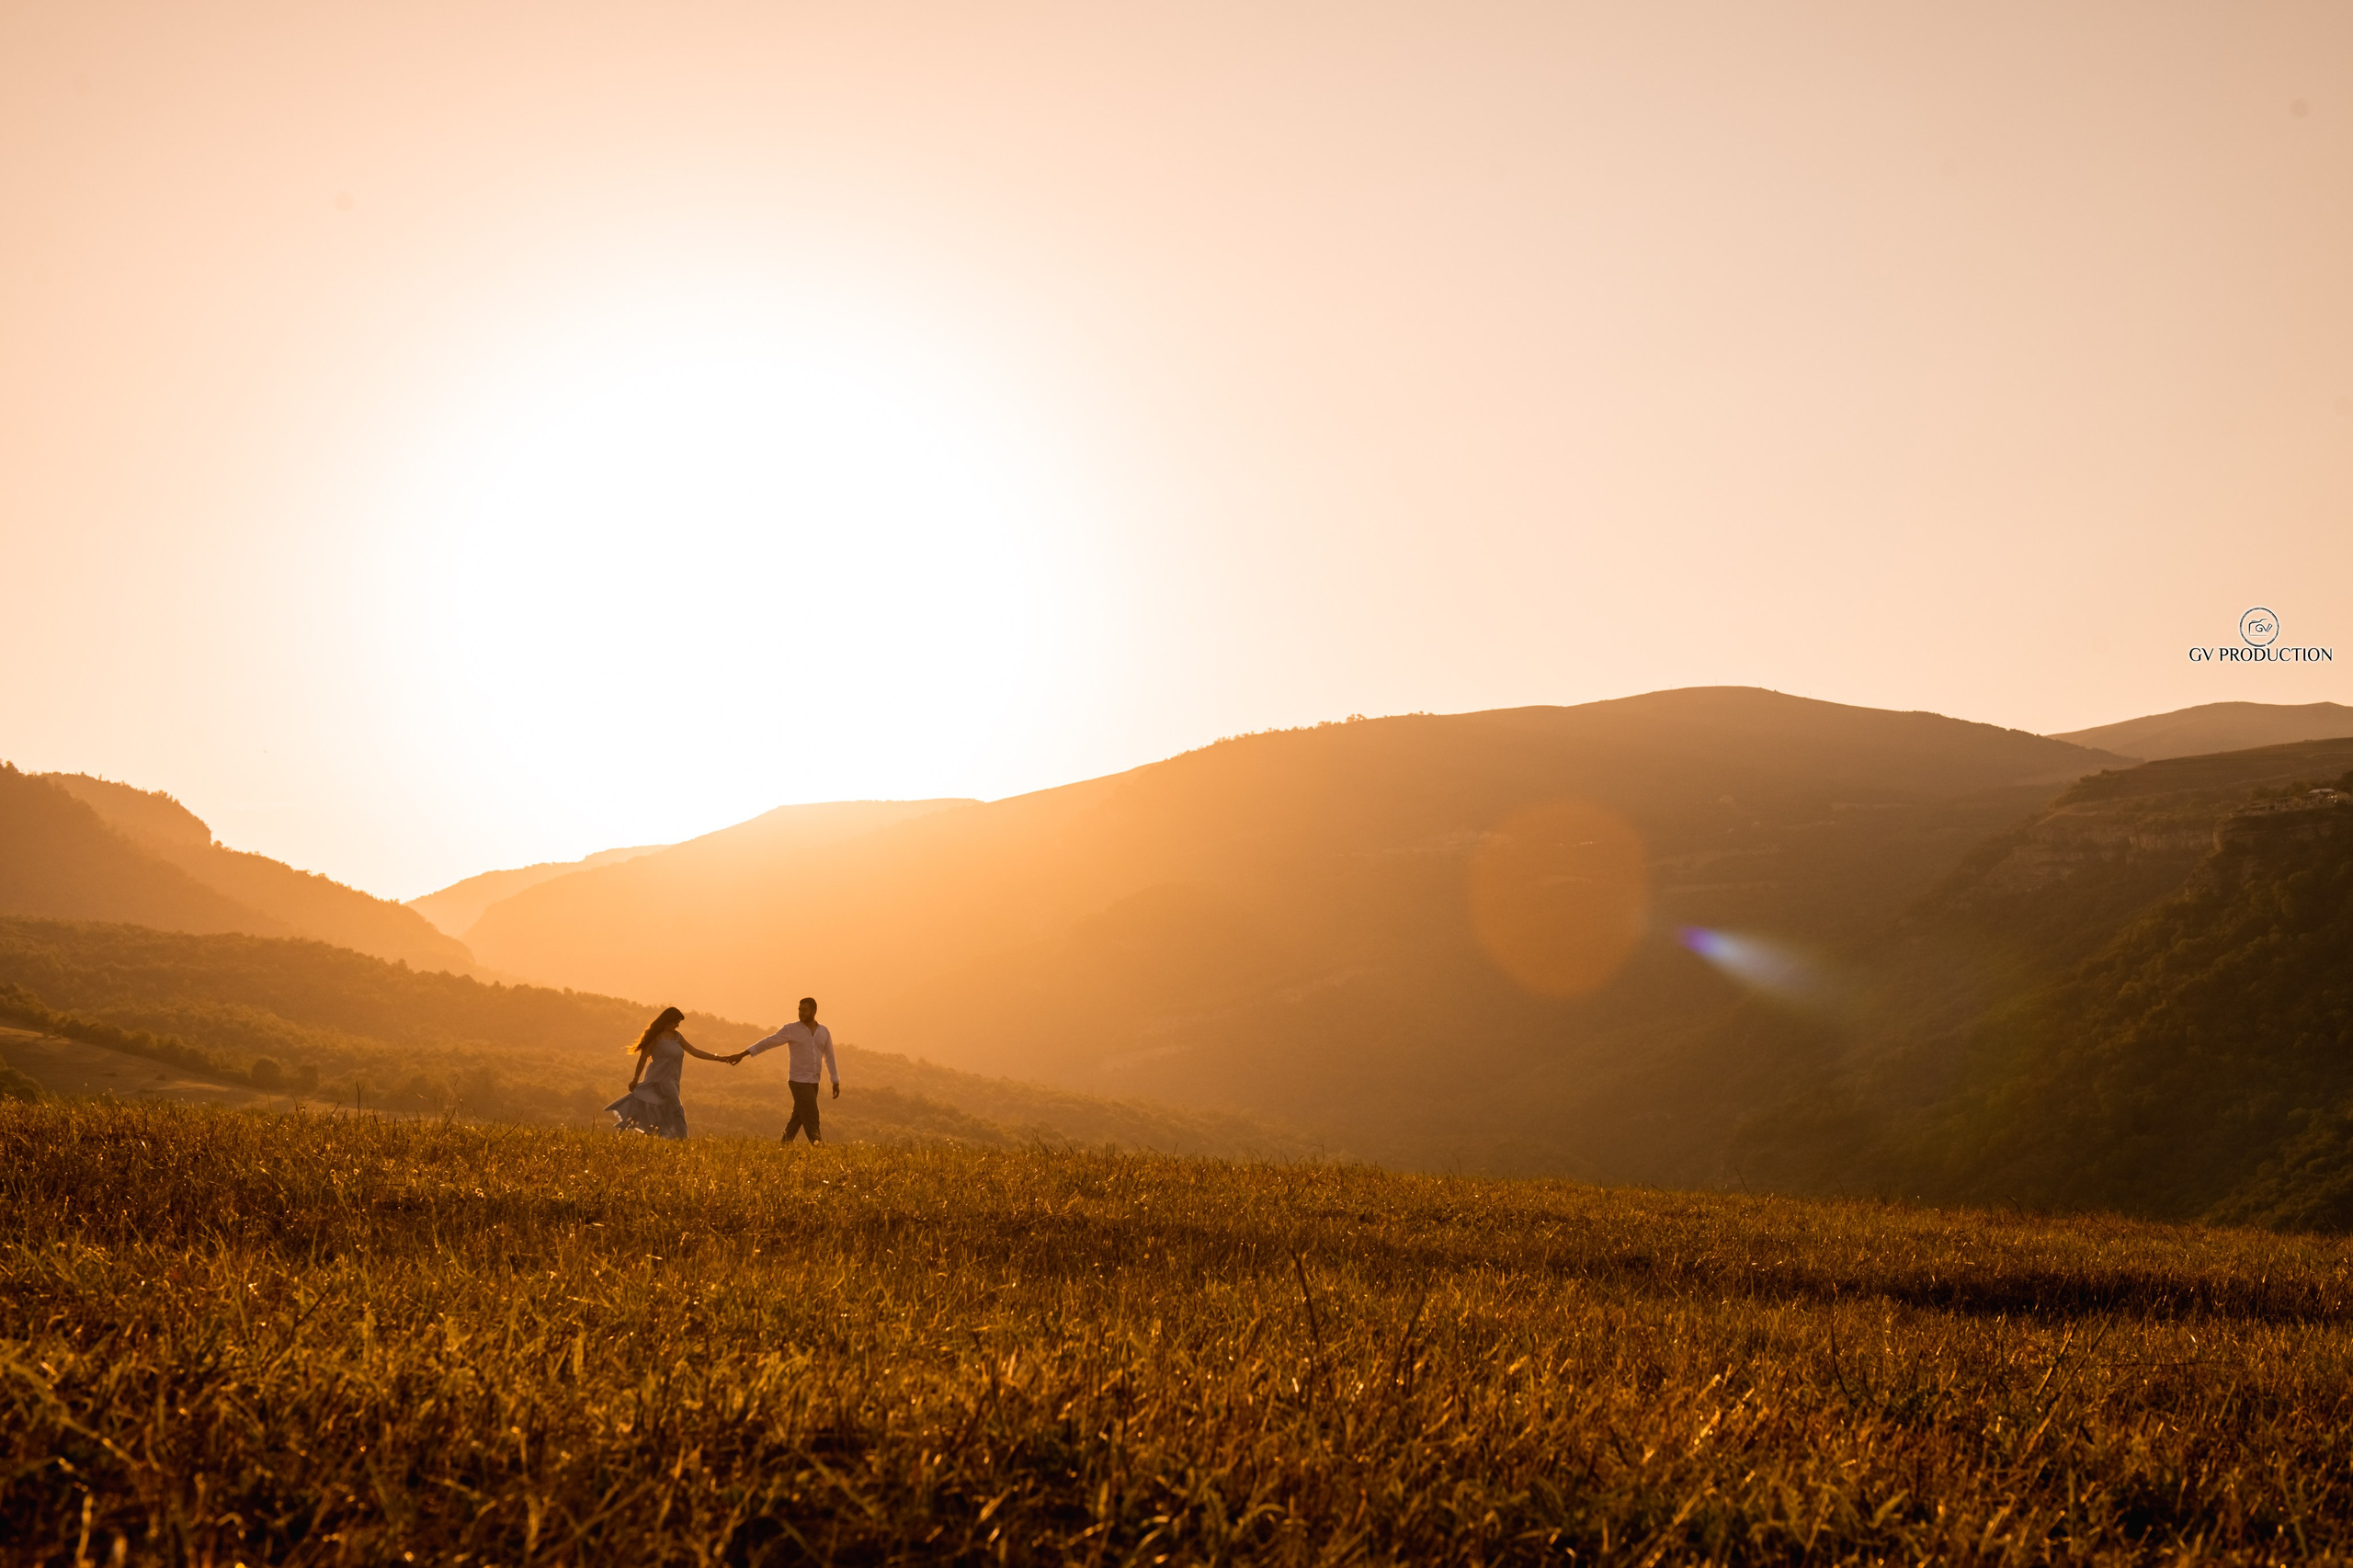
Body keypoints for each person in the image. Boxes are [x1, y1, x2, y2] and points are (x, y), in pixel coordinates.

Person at [606, 1006, 733, 1139]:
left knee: (663, 1110)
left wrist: (718, 1058)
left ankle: (661, 1136)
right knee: (676, 1109)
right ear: (667, 1021)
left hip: (673, 1081)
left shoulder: (677, 1037)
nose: (677, 1025)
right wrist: (635, 1079)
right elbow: (643, 1058)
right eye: (675, 1022)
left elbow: (695, 1051)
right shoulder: (656, 1037)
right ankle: (682, 1139)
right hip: (659, 1081)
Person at [732, 996, 838, 1143]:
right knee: (812, 1116)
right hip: (798, 1081)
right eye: (799, 1010)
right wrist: (744, 1054)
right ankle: (819, 1147)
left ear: (814, 1011)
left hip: (814, 1082)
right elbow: (769, 1042)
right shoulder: (791, 1029)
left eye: (804, 1010)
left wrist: (835, 1081)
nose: (801, 1013)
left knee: (798, 1117)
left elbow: (829, 1057)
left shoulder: (824, 1032)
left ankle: (784, 1144)